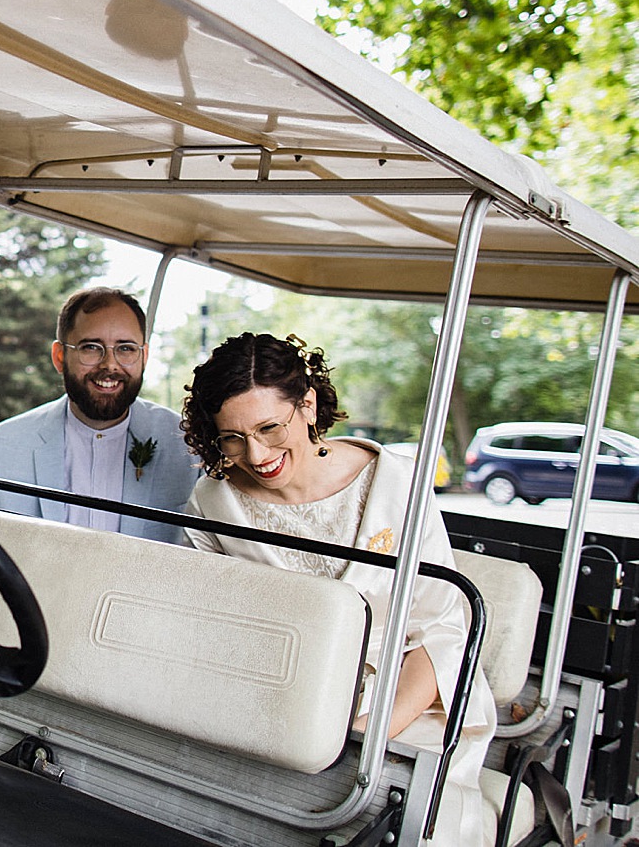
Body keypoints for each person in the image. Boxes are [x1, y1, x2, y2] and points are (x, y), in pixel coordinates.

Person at [179, 332, 495, 846]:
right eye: (232, 438)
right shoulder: (214, 502)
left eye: (268, 427)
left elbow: (444, 632)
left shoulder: (396, 486)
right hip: (274, 706)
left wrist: (361, 736)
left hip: (404, 706)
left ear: (306, 405)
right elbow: (218, 631)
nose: (255, 454)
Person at [0, 286, 198, 542]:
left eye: (125, 348)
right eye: (91, 347)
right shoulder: (4, 444)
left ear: (144, 356)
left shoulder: (186, 442)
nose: (110, 365)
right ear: (59, 356)